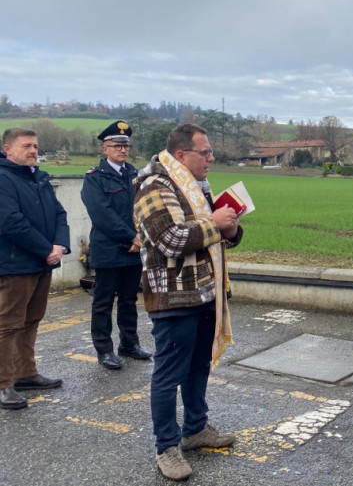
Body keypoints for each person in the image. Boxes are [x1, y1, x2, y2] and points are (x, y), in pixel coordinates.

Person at [133, 124, 243, 480]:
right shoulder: (153, 184)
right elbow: (168, 239)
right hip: (173, 296)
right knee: (168, 374)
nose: (211, 158)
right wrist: (214, 223)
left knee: (199, 366)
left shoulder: (196, 185)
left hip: (206, 292)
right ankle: (166, 446)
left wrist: (231, 228)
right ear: (182, 155)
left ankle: (195, 428)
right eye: (205, 152)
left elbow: (215, 233)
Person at [0, 128, 69, 410]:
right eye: (26, 146)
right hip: (16, 264)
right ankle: (4, 384)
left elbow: (59, 214)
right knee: (8, 324)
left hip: (42, 263)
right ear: (8, 149)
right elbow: (11, 222)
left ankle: (25, 373)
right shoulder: (4, 178)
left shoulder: (38, 177)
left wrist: (60, 245)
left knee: (32, 319)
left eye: (35, 145)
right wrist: (46, 249)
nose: (33, 150)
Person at [81, 121, 151, 370]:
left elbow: (144, 209)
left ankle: (129, 344)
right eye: (117, 146)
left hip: (134, 248)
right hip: (109, 249)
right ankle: (104, 350)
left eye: (126, 145)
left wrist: (139, 238)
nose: (123, 150)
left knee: (129, 300)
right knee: (103, 301)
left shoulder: (135, 175)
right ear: (105, 149)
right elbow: (102, 214)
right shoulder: (94, 178)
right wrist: (130, 237)